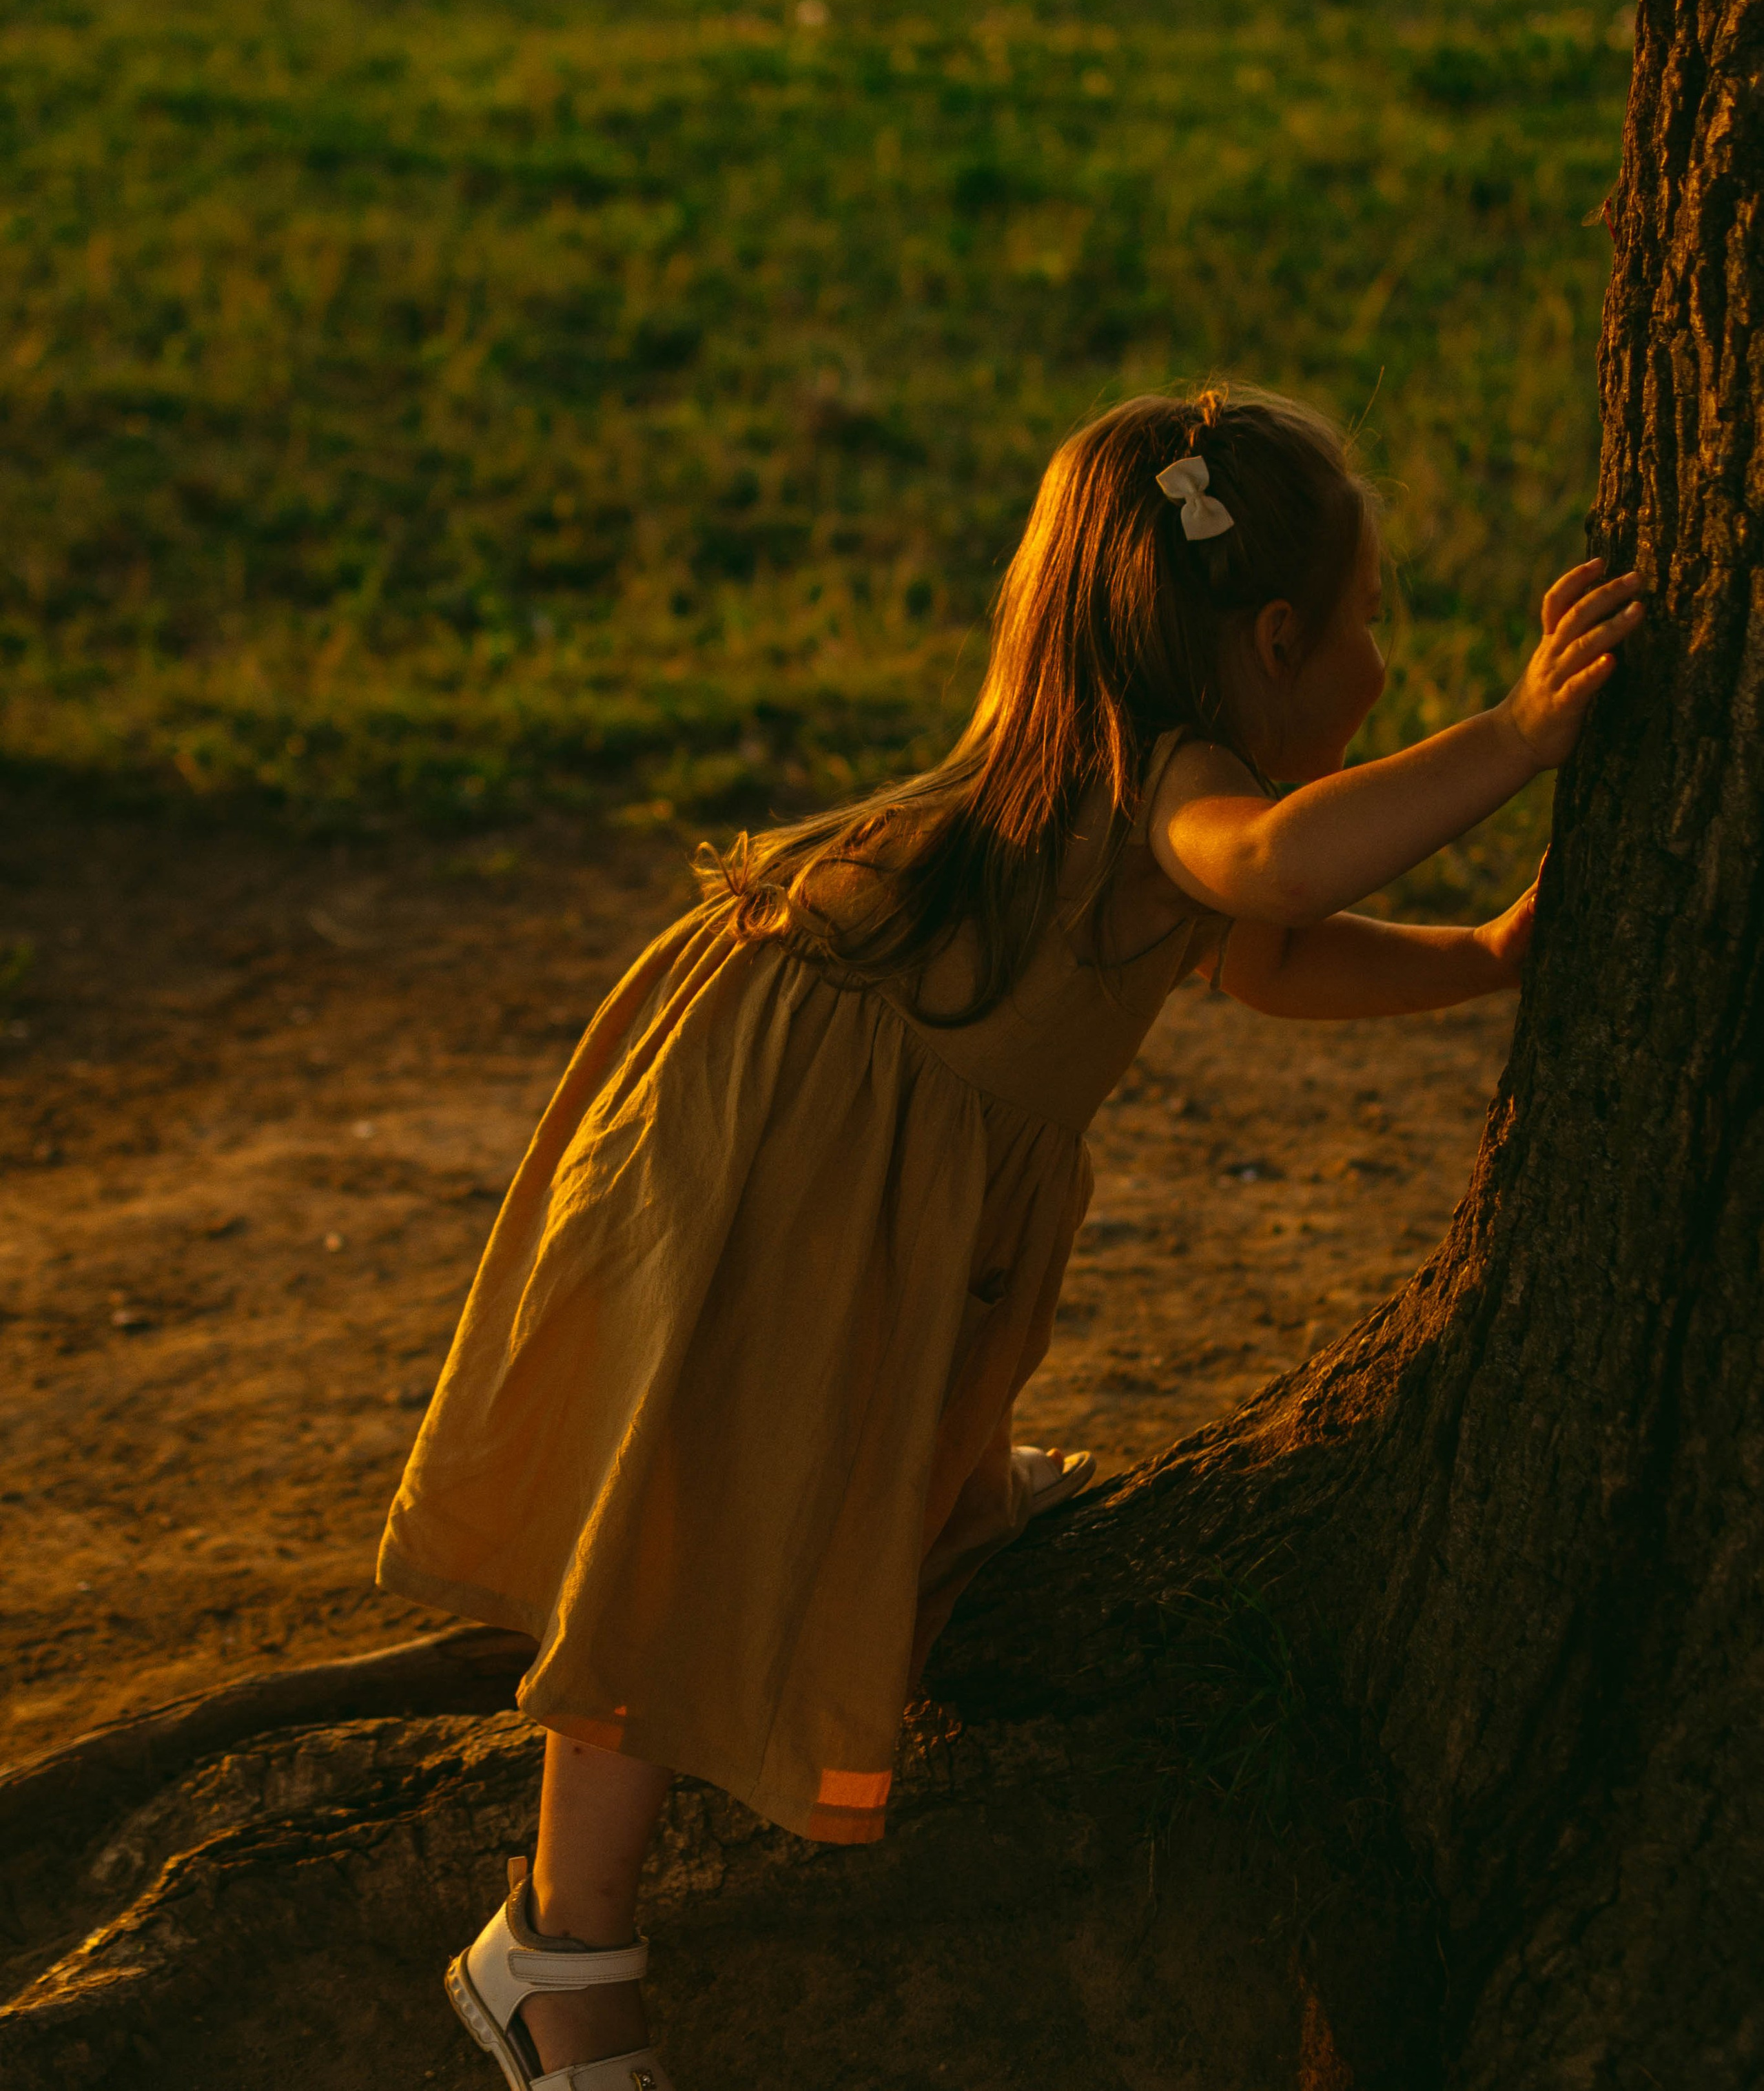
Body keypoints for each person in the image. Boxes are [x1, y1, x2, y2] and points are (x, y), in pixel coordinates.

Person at [378, 386, 1643, 2091]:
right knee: (701, 1525)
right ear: (1269, 639)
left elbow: (1277, 958)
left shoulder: (1118, 769)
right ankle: (556, 1946)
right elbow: (1271, 870)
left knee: (823, 1449)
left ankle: (933, 1488)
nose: (1374, 670)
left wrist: (1484, 954)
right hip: (792, 1149)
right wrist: (1512, 737)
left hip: (841, 1141)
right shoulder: (1181, 785)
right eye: (1365, 631)